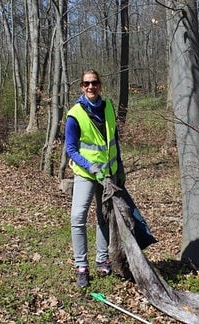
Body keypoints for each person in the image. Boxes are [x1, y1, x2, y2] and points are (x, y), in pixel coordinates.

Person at [65, 69, 125, 288]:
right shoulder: (75, 114)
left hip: (108, 174)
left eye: (95, 83)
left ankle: (102, 259)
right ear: (81, 86)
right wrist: (91, 166)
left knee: (104, 217)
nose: (91, 87)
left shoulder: (108, 106)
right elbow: (70, 149)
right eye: (87, 83)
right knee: (78, 217)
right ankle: (81, 266)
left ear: (101, 85)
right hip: (86, 173)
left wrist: (120, 167)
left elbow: (114, 139)